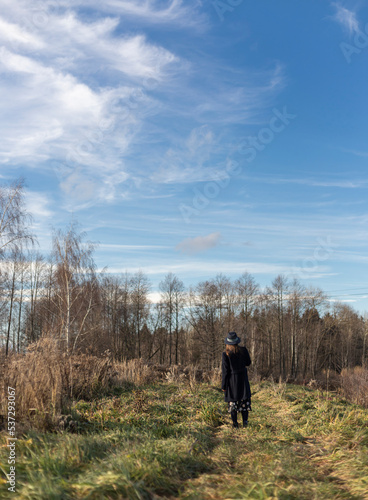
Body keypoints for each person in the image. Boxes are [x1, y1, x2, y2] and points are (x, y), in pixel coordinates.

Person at [221, 331, 252, 428]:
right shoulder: (243, 350)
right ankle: (245, 422)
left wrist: (224, 386)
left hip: (231, 381)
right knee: (244, 401)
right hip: (243, 379)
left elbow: (225, 372)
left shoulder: (225, 354)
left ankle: (235, 424)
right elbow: (248, 363)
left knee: (233, 402)